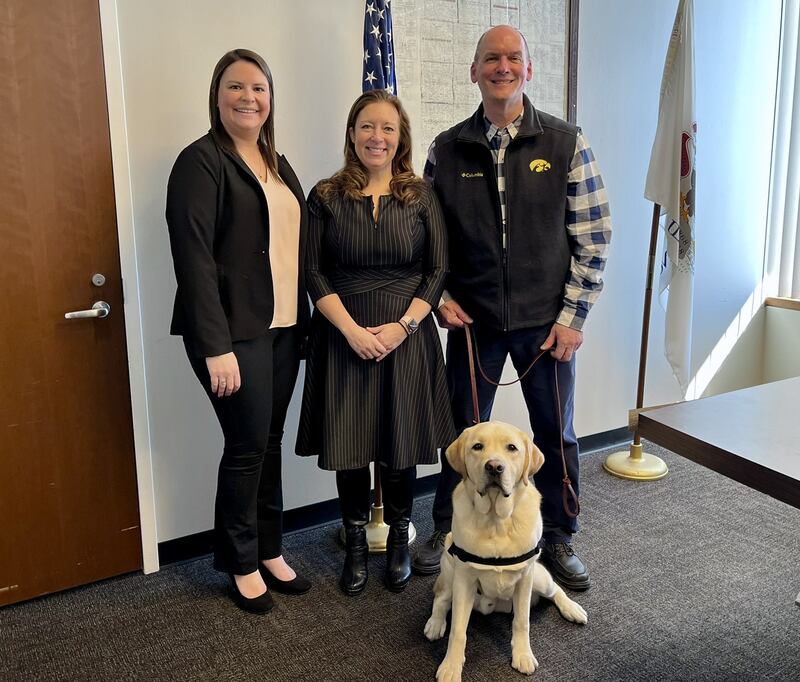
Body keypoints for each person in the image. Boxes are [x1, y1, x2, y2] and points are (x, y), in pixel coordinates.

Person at [411, 25, 612, 591]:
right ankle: (450, 530)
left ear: (528, 70)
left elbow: (593, 236)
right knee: (465, 437)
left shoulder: (565, 142)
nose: (503, 66)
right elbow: (429, 240)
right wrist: (441, 300)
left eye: (513, 58)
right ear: (474, 71)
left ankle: (559, 536)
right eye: (491, 58)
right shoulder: (445, 151)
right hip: (472, 326)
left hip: (546, 326)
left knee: (552, 436)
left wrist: (573, 319)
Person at [166, 49, 311, 614]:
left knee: (269, 444)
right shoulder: (200, 161)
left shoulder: (278, 163)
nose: (249, 97)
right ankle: (241, 561)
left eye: (259, 88)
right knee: (247, 446)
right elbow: (193, 260)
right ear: (217, 95)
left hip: (283, 328)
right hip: (232, 335)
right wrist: (215, 346)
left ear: (270, 100)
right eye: (236, 87)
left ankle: (270, 548)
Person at [296, 89, 455, 596]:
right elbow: (313, 271)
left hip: (406, 337)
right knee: (350, 446)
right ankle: (357, 545)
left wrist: (402, 327)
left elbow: (436, 270)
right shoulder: (324, 197)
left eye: (388, 128)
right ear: (351, 133)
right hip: (343, 335)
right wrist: (349, 331)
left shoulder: (422, 196)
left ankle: (401, 544)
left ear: (401, 137)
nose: (377, 137)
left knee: (400, 442)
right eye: (368, 126)